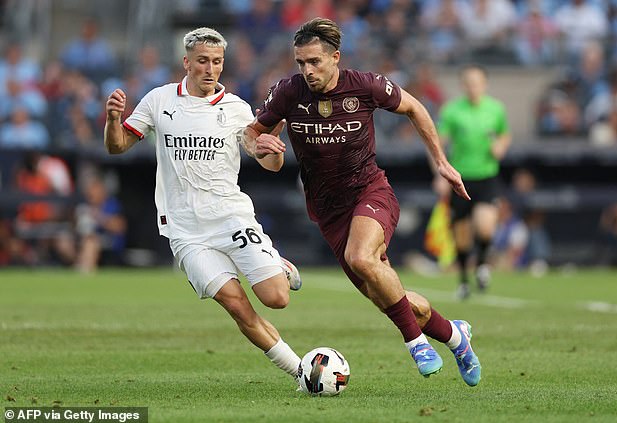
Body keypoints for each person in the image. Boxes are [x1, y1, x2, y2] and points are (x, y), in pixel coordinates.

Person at [245, 18, 481, 386]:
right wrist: (261, 149)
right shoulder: (288, 93)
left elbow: (416, 108)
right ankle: (455, 336)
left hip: (370, 191)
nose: (307, 70)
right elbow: (258, 142)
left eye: (314, 62)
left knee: (361, 258)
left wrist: (441, 161)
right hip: (328, 211)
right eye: (301, 63)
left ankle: (416, 343)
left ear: (335, 57)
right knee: (393, 298)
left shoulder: (366, 85)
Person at [103, 27, 302, 383]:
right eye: (203, 62)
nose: (210, 69)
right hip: (186, 230)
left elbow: (267, 163)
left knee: (277, 299)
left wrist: (272, 145)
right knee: (237, 305)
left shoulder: (237, 109)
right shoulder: (159, 101)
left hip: (230, 217)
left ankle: (277, 264)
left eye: (217, 62)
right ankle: (300, 371)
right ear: (186, 62)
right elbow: (117, 147)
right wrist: (114, 120)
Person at [437, 64, 511, 300]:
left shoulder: (495, 109)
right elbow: (437, 143)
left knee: (486, 225)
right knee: (461, 233)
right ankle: (463, 282)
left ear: (484, 84)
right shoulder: (452, 110)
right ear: (463, 85)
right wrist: (440, 173)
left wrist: (501, 146)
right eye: (468, 83)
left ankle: (481, 266)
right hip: (461, 177)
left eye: (477, 83)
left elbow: (504, 134)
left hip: (486, 175)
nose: (473, 87)